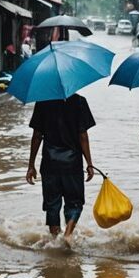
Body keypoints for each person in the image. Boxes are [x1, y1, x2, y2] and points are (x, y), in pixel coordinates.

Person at [26, 94, 96, 245]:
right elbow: (83, 135)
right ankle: (68, 233)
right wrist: (89, 163)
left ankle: (54, 242)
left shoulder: (43, 101)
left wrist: (31, 165)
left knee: (52, 204)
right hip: (72, 164)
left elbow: (37, 136)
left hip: (50, 164)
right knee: (75, 202)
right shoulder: (79, 101)